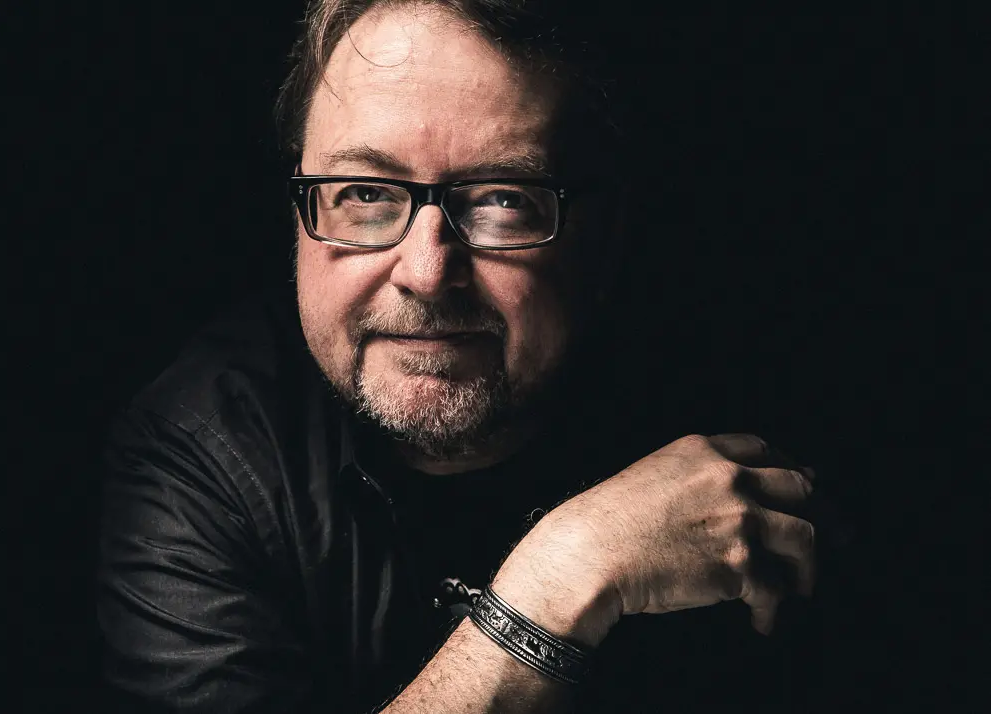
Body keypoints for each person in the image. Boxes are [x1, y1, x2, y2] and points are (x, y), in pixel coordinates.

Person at [97, 1, 830, 712]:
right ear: (299, 212)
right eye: (363, 192)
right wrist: (562, 579)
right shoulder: (197, 455)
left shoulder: (758, 414)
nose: (425, 270)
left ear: (606, 233)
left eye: (503, 198)